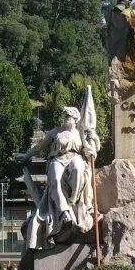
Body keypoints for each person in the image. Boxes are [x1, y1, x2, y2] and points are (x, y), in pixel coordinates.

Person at [15, 106, 100, 250]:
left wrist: (94, 138)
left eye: (69, 116)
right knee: (54, 178)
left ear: (76, 119)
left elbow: (93, 149)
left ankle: (73, 201)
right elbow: (39, 147)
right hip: (58, 159)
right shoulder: (56, 132)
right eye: (65, 116)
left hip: (75, 158)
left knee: (78, 169)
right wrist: (26, 155)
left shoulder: (80, 133)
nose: (66, 119)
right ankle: (64, 211)